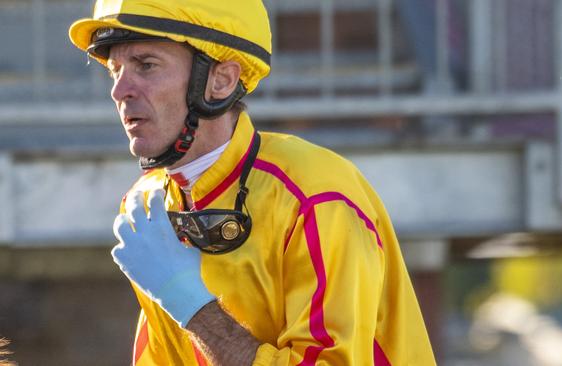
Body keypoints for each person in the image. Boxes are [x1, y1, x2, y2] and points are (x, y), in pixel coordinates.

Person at [69, 1, 436, 365]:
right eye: (115, 71)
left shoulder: (316, 197)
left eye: (146, 66)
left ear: (221, 80)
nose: (120, 91)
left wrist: (190, 305)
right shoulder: (146, 203)